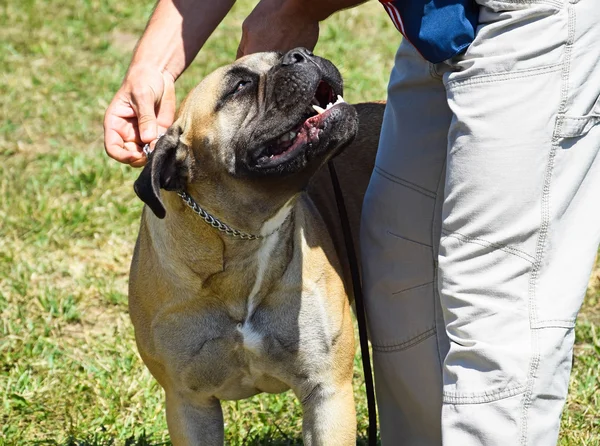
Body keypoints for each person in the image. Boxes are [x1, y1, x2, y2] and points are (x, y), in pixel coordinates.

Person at [104, 0, 600, 444]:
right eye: (240, 88)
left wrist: (294, 7)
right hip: (434, 23)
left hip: (529, 17)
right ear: (173, 171)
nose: (292, 65)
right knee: (398, 267)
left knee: (490, 289)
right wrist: (152, 65)